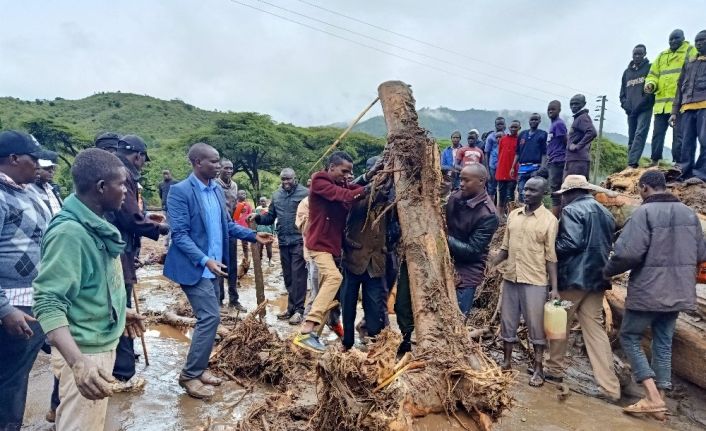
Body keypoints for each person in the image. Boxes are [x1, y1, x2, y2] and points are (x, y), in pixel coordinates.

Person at [32, 148, 146, 431]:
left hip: (98, 343)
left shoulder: (95, 223)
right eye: (121, 184)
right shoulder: (70, 233)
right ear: (101, 187)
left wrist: (121, 310)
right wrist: (79, 363)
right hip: (86, 350)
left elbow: (92, 282)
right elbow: (48, 302)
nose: (125, 191)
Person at [163, 143, 272, 399]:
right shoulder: (180, 192)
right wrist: (204, 260)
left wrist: (254, 236)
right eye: (213, 161)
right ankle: (189, 376)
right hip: (195, 267)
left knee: (211, 318)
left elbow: (226, 226)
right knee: (210, 317)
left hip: (215, 267)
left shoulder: (215, 191)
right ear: (197, 163)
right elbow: (179, 235)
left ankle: (199, 370)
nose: (219, 165)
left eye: (219, 161)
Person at [604, 170, 705, 415]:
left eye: (640, 189)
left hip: (649, 290)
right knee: (663, 341)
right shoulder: (689, 215)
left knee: (628, 336)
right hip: (679, 291)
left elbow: (627, 253)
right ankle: (660, 403)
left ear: (645, 188)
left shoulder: (645, 213)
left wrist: (606, 271)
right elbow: (701, 254)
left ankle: (650, 397)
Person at [544, 175, 621, 402]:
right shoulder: (605, 213)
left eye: (565, 195)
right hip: (597, 280)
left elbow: (571, 243)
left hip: (573, 279)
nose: (564, 199)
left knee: (558, 323)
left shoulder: (571, 211)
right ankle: (610, 388)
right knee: (595, 330)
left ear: (571, 193)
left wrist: (548, 246)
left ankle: (554, 370)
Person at [104, 134, 168, 389]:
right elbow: (129, 217)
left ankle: (119, 365)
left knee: (118, 304)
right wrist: (158, 228)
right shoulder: (123, 173)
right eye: (143, 160)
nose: (142, 165)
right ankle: (123, 372)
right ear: (138, 156)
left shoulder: (111, 168)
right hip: (118, 249)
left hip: (118, 247)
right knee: (121, 305)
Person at [0, 130, 51, 431]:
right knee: (8, 385)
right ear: (14, 158)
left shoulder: (28, 190)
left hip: (33, 304)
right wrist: (4, 309)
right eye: (34, 159)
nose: (38, 165)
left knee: (16, 380)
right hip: (12, 309)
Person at [293, 151, 368, 352]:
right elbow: (346, 194)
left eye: (350, 172)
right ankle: (307, 329)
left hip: (332, 248)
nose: (347, 175)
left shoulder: (340, 184)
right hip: (318, 246)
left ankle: (309, 340)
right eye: (344, 171)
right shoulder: (320, 180)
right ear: (331, 167)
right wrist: (368, 188)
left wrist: (369, 179)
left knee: (328, 295)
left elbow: (351, 188)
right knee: (334, 279)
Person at [490, 176, 559, 387]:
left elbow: (551, 256)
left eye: (533, 191)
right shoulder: (513, 215)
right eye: (526, 189)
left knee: (536, 327)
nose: (527, 194)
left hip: (535, 280)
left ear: (544, 194)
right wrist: (490, 264)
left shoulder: (549, 220)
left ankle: (538, 369)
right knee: (508, 322)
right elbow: (505, 248)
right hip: (511, 277)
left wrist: (554, 287)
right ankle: (506, 362)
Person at [251, 168, 309, 323]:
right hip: (283, 241)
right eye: (283, 179)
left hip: (300, 240)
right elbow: (270, 217)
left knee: (298, 276)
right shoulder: (276, 195)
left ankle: (299, 310)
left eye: (288, 179)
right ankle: (291, 309)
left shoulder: (305, 193)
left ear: (295, 178)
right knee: (289, 277)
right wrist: (258, 217)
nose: (286, 182)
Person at [340, 179, 388, 351]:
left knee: (375, 306)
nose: (381, 187)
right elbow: (342, 226)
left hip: (376, 263)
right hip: (353, 261)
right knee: (348, 303)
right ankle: (347, 342)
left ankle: (374, 340)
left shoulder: (390, 203)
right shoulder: (356, 199)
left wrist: (387, 246)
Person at [446, 164, 499, 315]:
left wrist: (443, 237)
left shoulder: (488, 214)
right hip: (445, 260)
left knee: (457, 319)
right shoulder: (455, 196)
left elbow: (472, 251)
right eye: (460, 179)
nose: (461, 184)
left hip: (466, 271)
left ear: (481, 181)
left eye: (466, 180)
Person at [645, 29, 697, 164]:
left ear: (683, 38)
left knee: (678, 135)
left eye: (676, 38)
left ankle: (677, 163)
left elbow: (694, 72)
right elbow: (652, 74)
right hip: (661, 104)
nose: (673, 41)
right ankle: (654, 161)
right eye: (671, 39)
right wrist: (651, 84)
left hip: (680, 103)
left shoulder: (690, 51)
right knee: (657, 134)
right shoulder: (662, 55)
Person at [671, 30, 706, 181]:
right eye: (697, 40)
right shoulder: (690, 63)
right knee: (686, 141)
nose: (699, 43)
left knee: (705, 140)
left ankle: (701, 173)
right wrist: (674, 111)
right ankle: (684, 172)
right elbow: (679, 88)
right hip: (686, 108)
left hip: (704, 106)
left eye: (702, 40)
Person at [214, 159, 243, 310]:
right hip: (218, 230)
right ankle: (219, 299)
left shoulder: (235, 186)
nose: (229, 171)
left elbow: (233, 206)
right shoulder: (214, 185)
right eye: (226, 168)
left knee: (232, 265)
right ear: (220, 170)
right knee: (219, 264)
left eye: (231, 168)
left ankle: (234, 299)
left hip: (231, 228)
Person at [620, 44, 655, 168]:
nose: (637, 56)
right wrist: (625, 105)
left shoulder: (650, 68)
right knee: (631, 136)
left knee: (640, 134)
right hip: (631, 111)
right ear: (632, 54)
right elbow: (622, 94)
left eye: (640, 54)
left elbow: (650, 92)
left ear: (645, 54)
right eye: (635, 54)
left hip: (644, 109)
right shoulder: (627, 72)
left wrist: (640, 105)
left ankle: (632, 162)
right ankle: (631, 164)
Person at [512, 113, 547, 202]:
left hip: (535, 168)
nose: (534, 121)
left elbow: (544, 153)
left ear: (539, 121)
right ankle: (523, 212)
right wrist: (512, 167)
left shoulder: (542, 134)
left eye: (536, 120)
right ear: (529, 121)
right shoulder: (522, 134)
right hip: (522, 168)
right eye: (532, 119)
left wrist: (541, 168)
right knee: (521, 192)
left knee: (534, 192)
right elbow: (517, 153)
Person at [546, 101, 568, 217]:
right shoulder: (553, 124)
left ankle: (554, 219)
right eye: (549, 109)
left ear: (559, 110)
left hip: (558, 160)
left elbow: (566, 141)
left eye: (553, 109)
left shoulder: (559, 124)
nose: (550, 111)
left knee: (555, 191)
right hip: (552, 160)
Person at [566, 94, 597, 178]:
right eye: (571, 104)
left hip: (577, 160)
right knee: (571, 188)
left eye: (576, 104)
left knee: (574, 187)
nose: (573, 106)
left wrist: (578, 146)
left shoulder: (582, 117)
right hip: (574, 160)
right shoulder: (578, 118)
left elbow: (592, 132)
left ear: (584, 104)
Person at [495, 120, 520, 219]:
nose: (513, 129)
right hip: (502, 171)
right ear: (509, 128)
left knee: (510, 194)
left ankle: (511, 216)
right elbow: (500, 154)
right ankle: (499, 216)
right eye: (512, 127)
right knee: (501, 194)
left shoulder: (519, 140)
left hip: (512, 172)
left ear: (519, 128)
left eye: (515, 127)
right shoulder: (503, 139)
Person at [31, 151, 63, 216]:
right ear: (37, 169)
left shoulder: (54, 188)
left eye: (52, 168)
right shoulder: (30, 188)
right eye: (46, 168)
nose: (51, 171)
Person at [484, 117, 506, 203]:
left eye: (502, 124)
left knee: (503, 188)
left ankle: (502, 210)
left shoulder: (508, 136)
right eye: (498, 124)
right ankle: (491, 209)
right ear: (495, 125)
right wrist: (487, 171)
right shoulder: (491, 137)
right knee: (491, 188)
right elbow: (486, 153)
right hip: (493, 166)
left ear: (505, 125)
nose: (500, 126)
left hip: (505, 166)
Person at [233, 189, 253, 278]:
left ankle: (246, 259)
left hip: (245, 228)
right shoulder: (234, 204)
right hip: (235, 227)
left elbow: (250, 216)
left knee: (245, 245)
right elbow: (234, 216)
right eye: (241, 193)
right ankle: (234, 260)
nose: (243, 195)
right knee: (233, 244)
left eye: (244, 193)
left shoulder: (248, 205)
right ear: (237, 195)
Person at [254, 197, 274, 265]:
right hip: (259, 232)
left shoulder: (270, 209)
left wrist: (273, 232)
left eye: (264, 201)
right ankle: (260, 261)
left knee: (269, 249)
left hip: (268, 231)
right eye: (261, 201)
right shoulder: (257, 210)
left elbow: (272, 221)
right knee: (259, 248)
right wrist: (255, 230)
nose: (262, 203)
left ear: (266, 202)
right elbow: (255, 220)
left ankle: (270, 260)